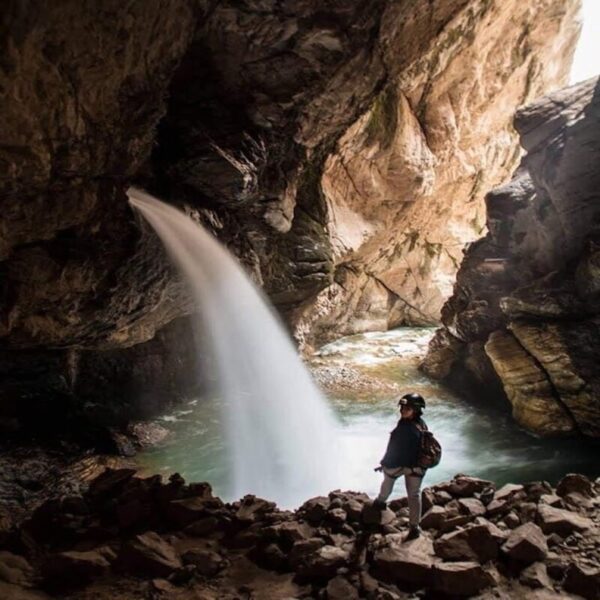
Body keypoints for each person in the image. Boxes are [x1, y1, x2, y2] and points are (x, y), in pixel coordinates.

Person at [373, 392, 427, 540]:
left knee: (388, 482)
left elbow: (395, 450)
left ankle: (380, 503)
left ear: (415, 410)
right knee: (414, 495)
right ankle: (415, 527)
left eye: (407, 408)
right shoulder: (420, 424)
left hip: (405, 466)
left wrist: (384, 464)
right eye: (402, 407)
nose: (403, 410)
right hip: (417, 468)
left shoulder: (405, 427)